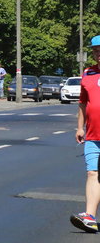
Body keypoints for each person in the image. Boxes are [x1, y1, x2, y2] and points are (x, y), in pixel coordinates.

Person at [71, 36, 100, 233]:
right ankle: (90, 216)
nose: (98, 53)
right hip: (92, 134)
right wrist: (79, 127)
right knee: (92, 172)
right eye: (96, 50)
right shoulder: (88, 73)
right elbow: (83, 103)